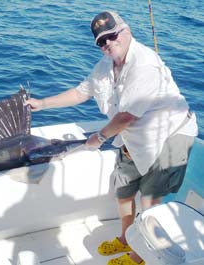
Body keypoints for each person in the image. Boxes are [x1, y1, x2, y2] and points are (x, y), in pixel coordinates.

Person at [26, 10, 198, 265]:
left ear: (126, 31)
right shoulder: (106, 65)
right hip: (133, 137)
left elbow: (127, 116)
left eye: (112, 35)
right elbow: (81, 92)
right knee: (123, 190)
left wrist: (99, 137)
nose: (107, 43)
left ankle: (139, 255)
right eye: (101, 41)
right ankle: (127, 238)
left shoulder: (145, 64)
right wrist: (42, 103)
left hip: (168, 135)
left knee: (150, 198)